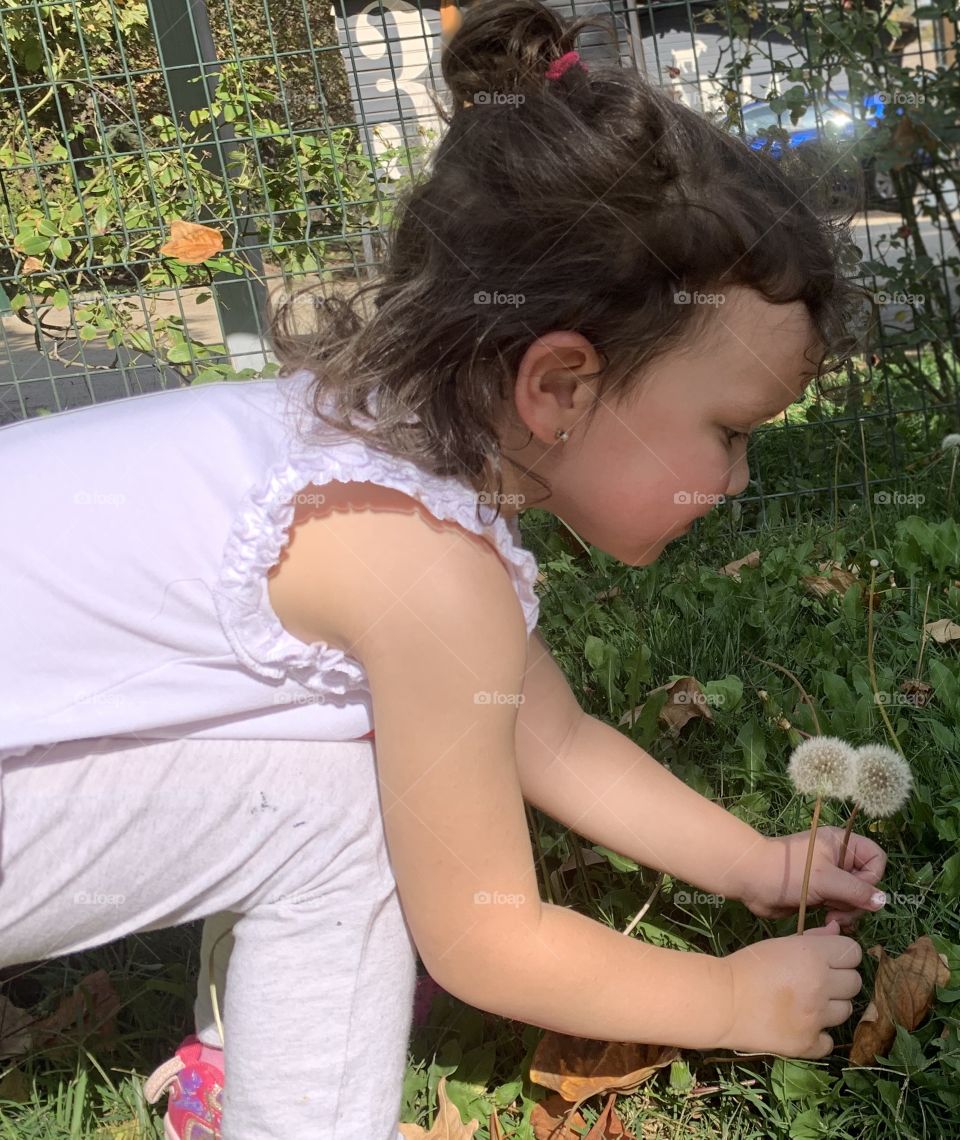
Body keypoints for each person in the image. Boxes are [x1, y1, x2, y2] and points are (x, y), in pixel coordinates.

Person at [0, 1, 888, 1137]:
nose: (741, 478)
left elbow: (550, 738)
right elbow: (485, 935)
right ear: (557, 386)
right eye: (730, 432)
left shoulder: (372, 452)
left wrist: (757, 864)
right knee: (350, 809)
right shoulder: (420, 564)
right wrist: (731, 1000)